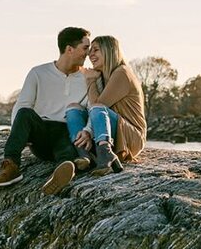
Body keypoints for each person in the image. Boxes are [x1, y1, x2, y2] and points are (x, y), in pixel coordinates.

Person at [42, 34, 146, 194]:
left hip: (131, 136)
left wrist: (87, 131)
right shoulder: (101, 76)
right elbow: (87, 105)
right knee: (73, 108)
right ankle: (84, 155)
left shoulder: (121, 73)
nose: (91, 55)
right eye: (89, 51)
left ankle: (105, 154)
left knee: (97, 108)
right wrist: (91, 80)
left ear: (110, 51)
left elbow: (98, 106)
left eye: (96, 50)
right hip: (109, 129)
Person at [0, 27, 91, 189]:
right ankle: (11, 165)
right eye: (85, 48)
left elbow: (92, 108)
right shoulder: (38, 73)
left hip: (68, 132)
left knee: (67, 153)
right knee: (24, 113)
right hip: (42, 133)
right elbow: (22, 105)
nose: (89, 53)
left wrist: (88, 130)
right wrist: (24, 133)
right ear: (69, 49)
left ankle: (61, 175)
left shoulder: (89, 77)